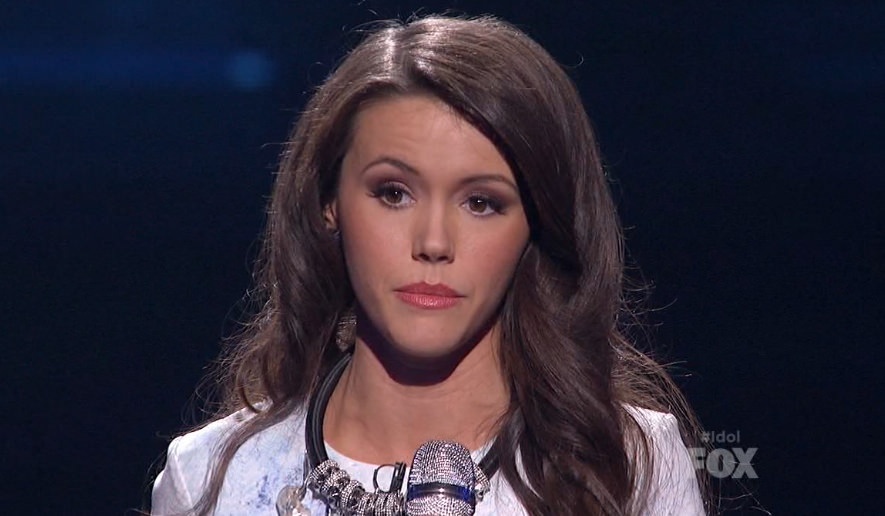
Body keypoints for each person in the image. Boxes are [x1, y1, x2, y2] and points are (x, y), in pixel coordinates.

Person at [151, 14, 708, 516]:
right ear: (329, 203)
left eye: (481, 203)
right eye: (394, 193)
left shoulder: (628, 468)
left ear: (537, 225)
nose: (434, 242)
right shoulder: (213, 479)